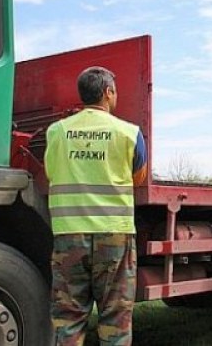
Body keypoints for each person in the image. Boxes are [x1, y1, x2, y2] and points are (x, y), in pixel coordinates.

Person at [45, 66, 147, 345]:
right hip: (114, 235)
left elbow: (51, 171)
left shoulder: (57, 132)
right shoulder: (129, 133)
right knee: (115, 319)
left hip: (68, 236)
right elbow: (139, 176)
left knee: (67, 318)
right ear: (107, 92)